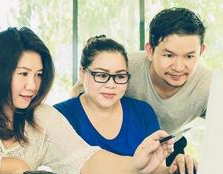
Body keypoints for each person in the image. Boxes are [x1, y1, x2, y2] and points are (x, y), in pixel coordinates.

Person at [0, 27, 174, 174]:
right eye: (23, 74)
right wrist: (14, 164)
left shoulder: (43, 116)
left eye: (39, 75)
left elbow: (86, 159)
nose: (32, 85)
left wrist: (136, 164)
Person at [72, 7, 212, 165]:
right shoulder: (122, 68)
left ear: (201, 51)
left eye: (189, 56)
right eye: (169, 55)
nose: (178, 67)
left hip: (169, 146)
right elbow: (79, 96)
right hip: (120, 144)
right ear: (150, 50)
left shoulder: (210, 87)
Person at [55, 35, 196, 174]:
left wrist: (174, 169)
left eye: (120, 76)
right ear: (82, 73)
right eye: (101, 75)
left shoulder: (143, 112)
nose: (111, 85)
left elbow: (156, 171)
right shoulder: (58, 116)